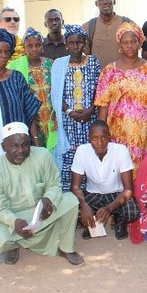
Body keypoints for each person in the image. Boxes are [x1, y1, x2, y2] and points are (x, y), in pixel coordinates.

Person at [0, 122, 83, 266]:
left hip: (41, 212)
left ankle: (66, 248)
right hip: (16, 217)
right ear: (3, 147)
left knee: (71, 201)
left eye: (25, 144)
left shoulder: (42, 155)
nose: (21, 150)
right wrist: (14, 222)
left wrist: (49, 199)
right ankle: (13, 245)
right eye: (14, 146)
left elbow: (54, 184)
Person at [94, 22, 147, 177]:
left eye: (133, 42)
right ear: (120, 44)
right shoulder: (109, 71)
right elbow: (103, 104)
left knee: (143, 173)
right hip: (116, 132)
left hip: (144, 132)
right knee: (118, 170)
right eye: (125, 42)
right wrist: (102, 133)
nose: (130, 46)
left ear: (139, 43)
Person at [51, 25, 101, 192]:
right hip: (68, 121)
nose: (75, 46)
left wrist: (91, 110)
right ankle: (70, 193)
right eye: (71, 43)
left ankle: (90, 193)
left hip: (89, 120)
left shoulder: (93, 62)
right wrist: (68, 112)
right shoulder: (59, 64)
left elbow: (100, 90)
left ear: (85, 43)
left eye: (79, 42)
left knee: (89, 153)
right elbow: (56, 94)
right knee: (70, 157)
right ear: (66, 45)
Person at [70, 120, 139, 241]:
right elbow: (75, 187)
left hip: (116, 194)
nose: (100, 142)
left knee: (132, 211)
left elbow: (128, 189)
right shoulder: (82, 151)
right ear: (89, 138)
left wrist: (109, 208)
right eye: (95, 138)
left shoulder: (120, 150)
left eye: (103, 138)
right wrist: (84, 204)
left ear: (109, 137)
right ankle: (89, 222)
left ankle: (119, 220)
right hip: (93, 194)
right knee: (73, 209)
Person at [0, 28, 41, 165]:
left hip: (20, 144)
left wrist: (35, 139)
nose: (3, 56)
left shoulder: (16, 78)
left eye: (6, 52)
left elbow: (29, 110)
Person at [8, 27, 57, 152]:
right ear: (24, 48)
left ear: (43, 46)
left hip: (51, 120)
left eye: (38, 45)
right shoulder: (15, 67)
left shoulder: (51, 64)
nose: (34, 49)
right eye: (30, 46)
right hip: (31, 120)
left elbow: (59, 91)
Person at [82, 0, 133, 68]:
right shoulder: (88, 27)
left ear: (114, 1)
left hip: (123, 77)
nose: (105, 2)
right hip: (98, 78)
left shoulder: (127, 24)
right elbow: (85, 54)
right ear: (96, 3)